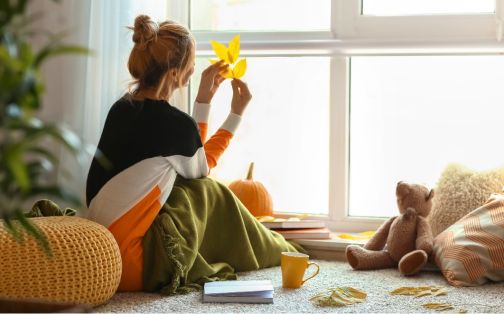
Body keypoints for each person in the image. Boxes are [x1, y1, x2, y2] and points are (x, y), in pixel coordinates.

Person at [86, 15, 299, 294]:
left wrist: (203, 102)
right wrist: (235, 113)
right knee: (205, 190)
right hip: (135, 266)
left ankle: (273, 246)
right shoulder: (175, 124)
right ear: (175, 72)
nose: (194, 67)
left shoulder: (121, 108)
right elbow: (200, 170)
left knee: (180, 184)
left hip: (102, 258)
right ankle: (281, 250)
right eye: (191, 61)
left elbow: (187, 154)